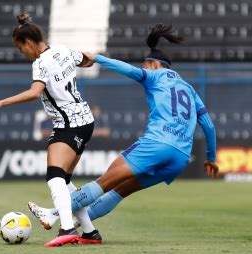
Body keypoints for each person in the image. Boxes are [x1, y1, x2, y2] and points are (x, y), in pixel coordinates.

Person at [28, 24, 219, 234]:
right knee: (120, 191)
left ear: (154, 64)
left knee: (104, 183)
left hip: (157, 144)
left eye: (145, 66)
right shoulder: (189, 89)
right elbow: (208, 125)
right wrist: (210, 158)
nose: (143, 69)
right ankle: (82, 226)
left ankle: (53, 214)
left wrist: (98, 58)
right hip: (180, 157)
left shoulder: (155, 76)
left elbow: (128, 70)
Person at [0, 12, 101, 247]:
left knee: (55, 176)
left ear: (27, 42)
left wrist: (0, 102)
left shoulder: (40, 63)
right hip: (85, 120)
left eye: (20, 48)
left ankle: (66, 228)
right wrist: (88, 57)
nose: (22, 53)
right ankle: (89, 232)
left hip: (69, 124)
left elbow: (35, 92)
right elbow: (88, 60)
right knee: (64, 179)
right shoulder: (64, 50)